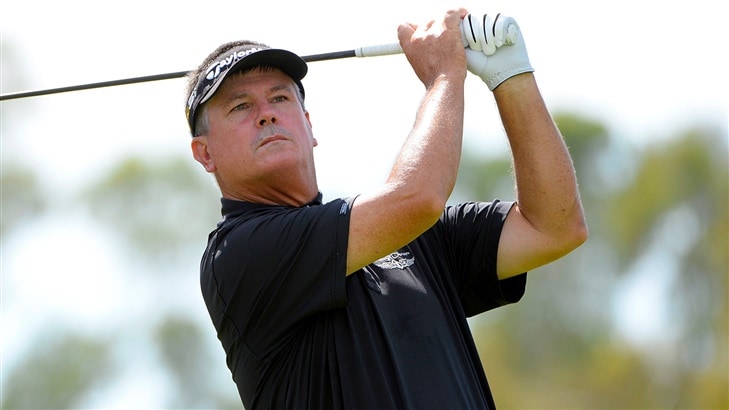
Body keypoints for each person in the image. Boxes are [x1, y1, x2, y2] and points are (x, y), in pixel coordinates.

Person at [186, 8, 587, 410]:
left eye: (279, 97)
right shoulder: (239, 252)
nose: (267, 114)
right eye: (240, 106)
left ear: (309, 125)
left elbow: (553, 227)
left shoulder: (416, 238)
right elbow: (418, 198)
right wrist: (444, 77)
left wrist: (512, 78)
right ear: (205, 153)